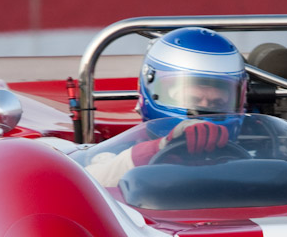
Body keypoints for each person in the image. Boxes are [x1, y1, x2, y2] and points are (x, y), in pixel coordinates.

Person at [86, 27, 248, 186]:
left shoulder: (255, 151)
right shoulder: (116, 154)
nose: (203, 111)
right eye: (191, 100)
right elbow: (88, 181)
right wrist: (157, 149)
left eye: (217, 103)